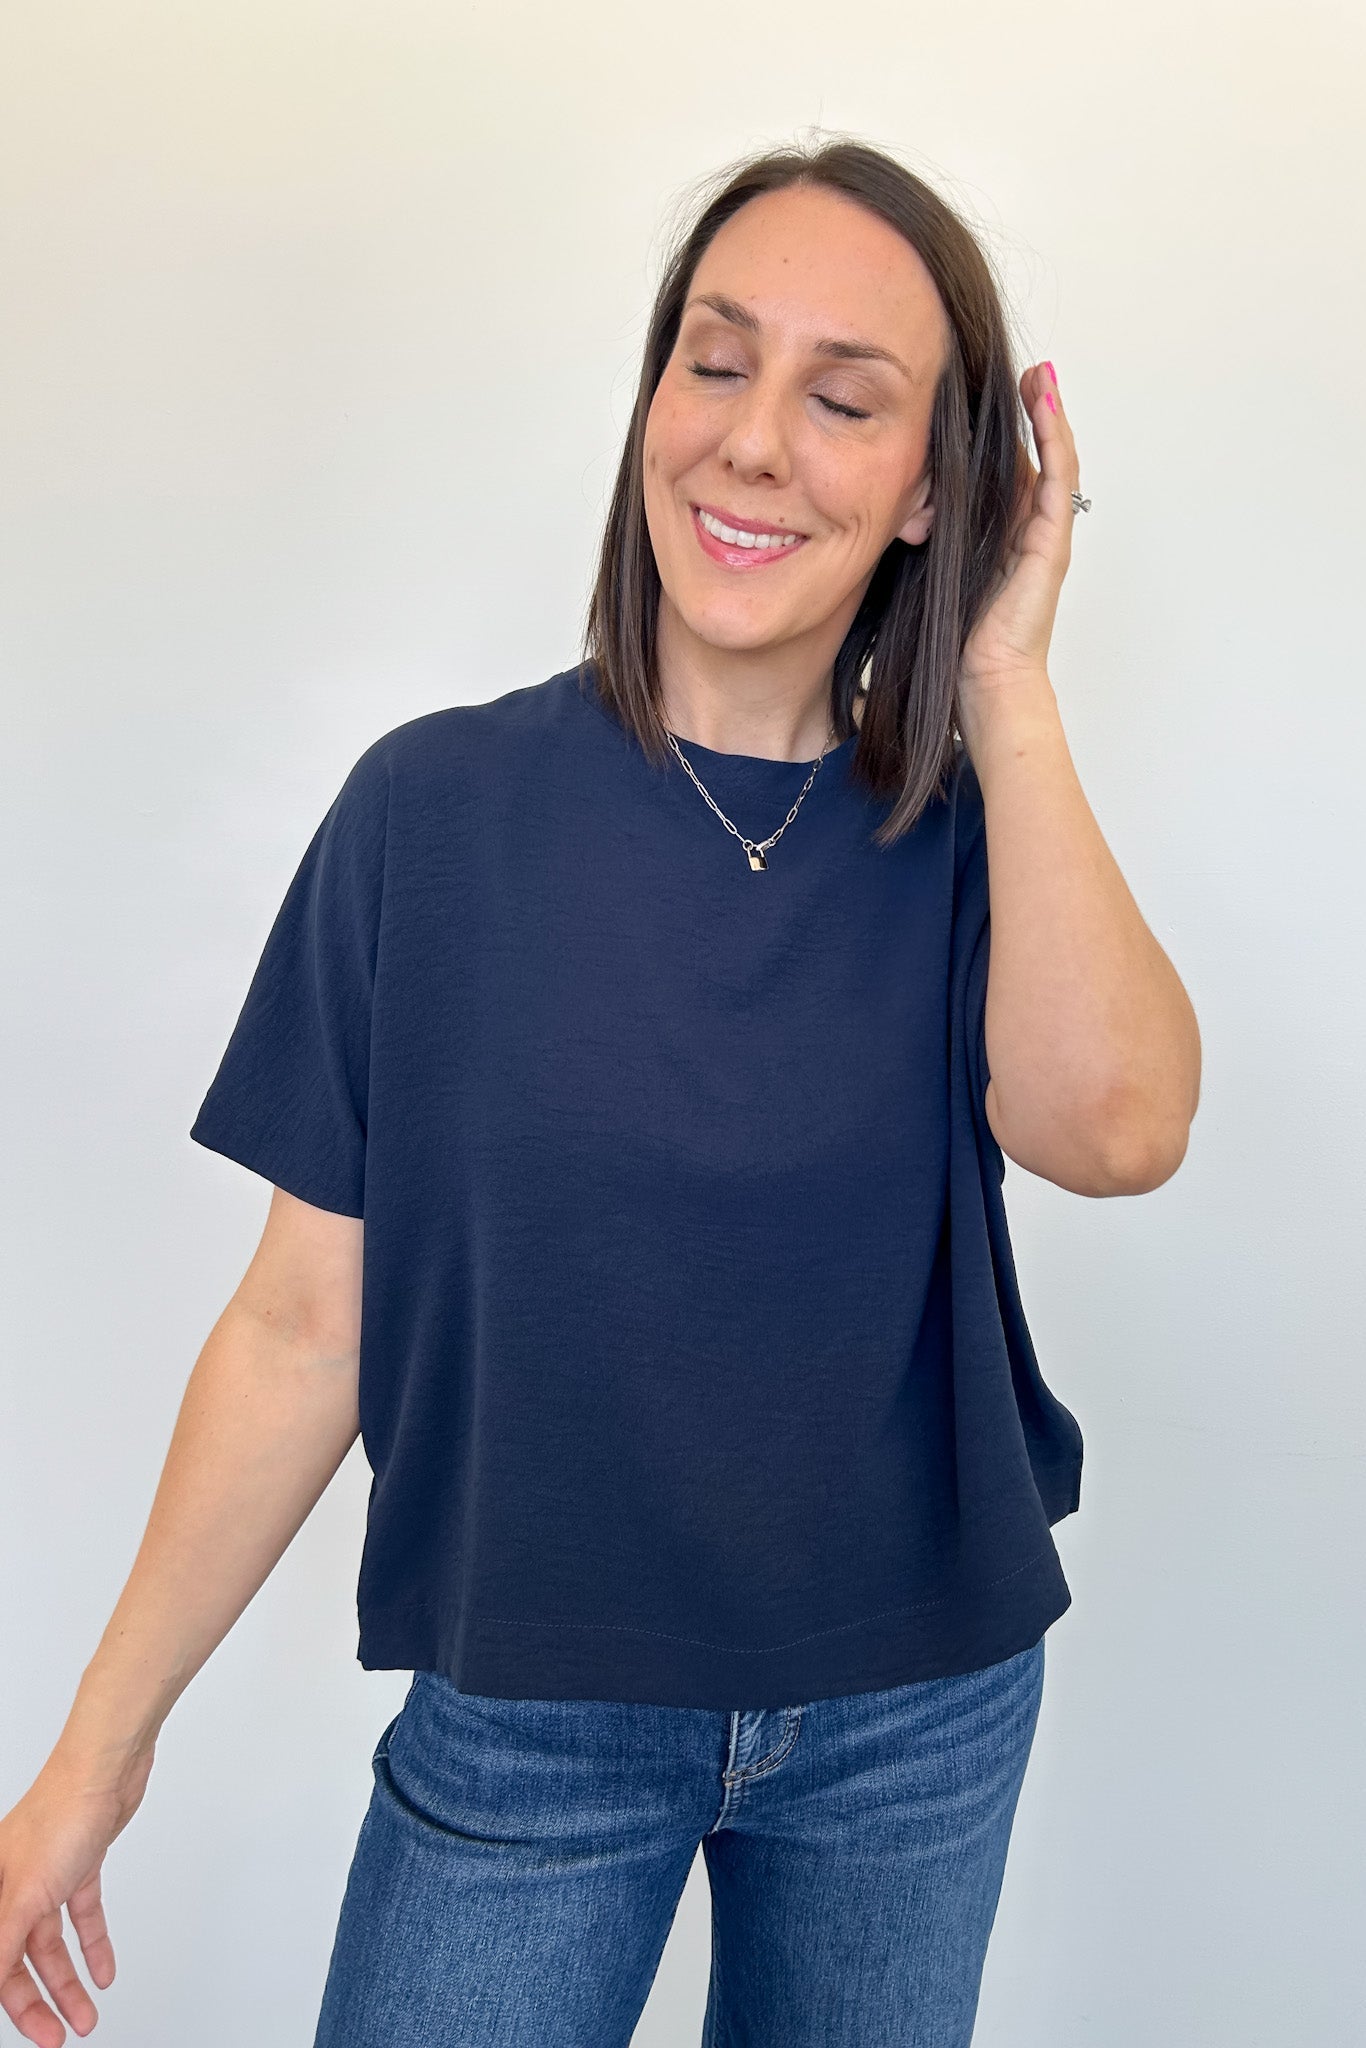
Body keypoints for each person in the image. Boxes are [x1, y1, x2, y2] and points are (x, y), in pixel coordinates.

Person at [0, 136, 1200, 2048]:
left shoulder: (969, 841)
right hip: (530, 1722)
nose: (749, 443)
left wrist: (1009, 685)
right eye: (714, 363)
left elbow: (1118, 1132)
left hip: (915, 1714)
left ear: (925, 489)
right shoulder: (431, 816)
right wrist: (93, 1759)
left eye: (844, 400)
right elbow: (306, 1326)